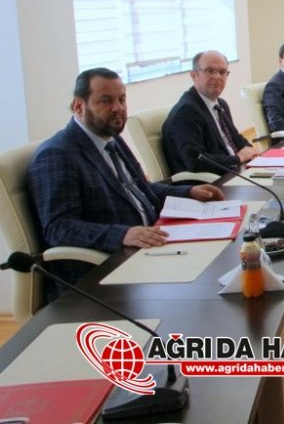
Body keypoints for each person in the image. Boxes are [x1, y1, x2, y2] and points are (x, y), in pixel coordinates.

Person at [27, 68, 225, 295]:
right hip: (104, 272)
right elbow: (59, 228)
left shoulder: (111, 139)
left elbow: (140, 189)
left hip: (150, 246)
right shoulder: (58, 154)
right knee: (204, 291)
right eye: (106, 101)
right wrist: (122, 235)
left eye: (121, 99)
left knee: (220, 266)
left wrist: (188, 192)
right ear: (79, 106)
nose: (118, 108)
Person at [162, 50, 259, 175]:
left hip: (234, 171)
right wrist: (238, 159)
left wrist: (251, 151)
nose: (217, 77)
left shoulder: (221, 104)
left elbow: (236, 139)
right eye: (210, 71)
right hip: (212, 181)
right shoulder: (186, 111)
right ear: (194, 75)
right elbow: (196, 161)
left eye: (222, 72)